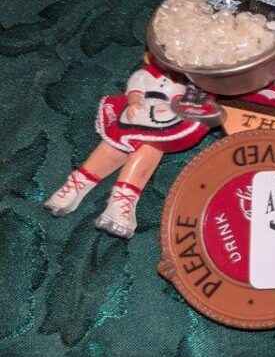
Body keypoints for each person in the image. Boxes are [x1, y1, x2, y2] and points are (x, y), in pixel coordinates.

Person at [44, 60, 210, 238]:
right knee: (118, 139)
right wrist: (134, 101)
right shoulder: (148, 74)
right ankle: (79, 182)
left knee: (152, 144)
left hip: (168, 118)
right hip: (141, 111)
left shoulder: (195, 82)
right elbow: (136, 88)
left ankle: (121, 199)